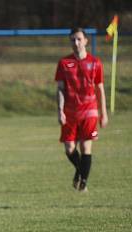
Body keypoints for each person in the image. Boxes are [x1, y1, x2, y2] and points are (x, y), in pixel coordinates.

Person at [55, 27, 108, 192]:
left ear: (85, 41)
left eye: (79, 39)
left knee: (86, 147)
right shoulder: (64, 63)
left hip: (89, 111)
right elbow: (60, 89)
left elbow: (100, 89)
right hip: (70, 112)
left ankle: (83, 182)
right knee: (69, 148)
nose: (76, 43)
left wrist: (103, 113)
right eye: (72, 40)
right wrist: (60, 110)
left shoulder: (95, 62)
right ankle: (80, 171)